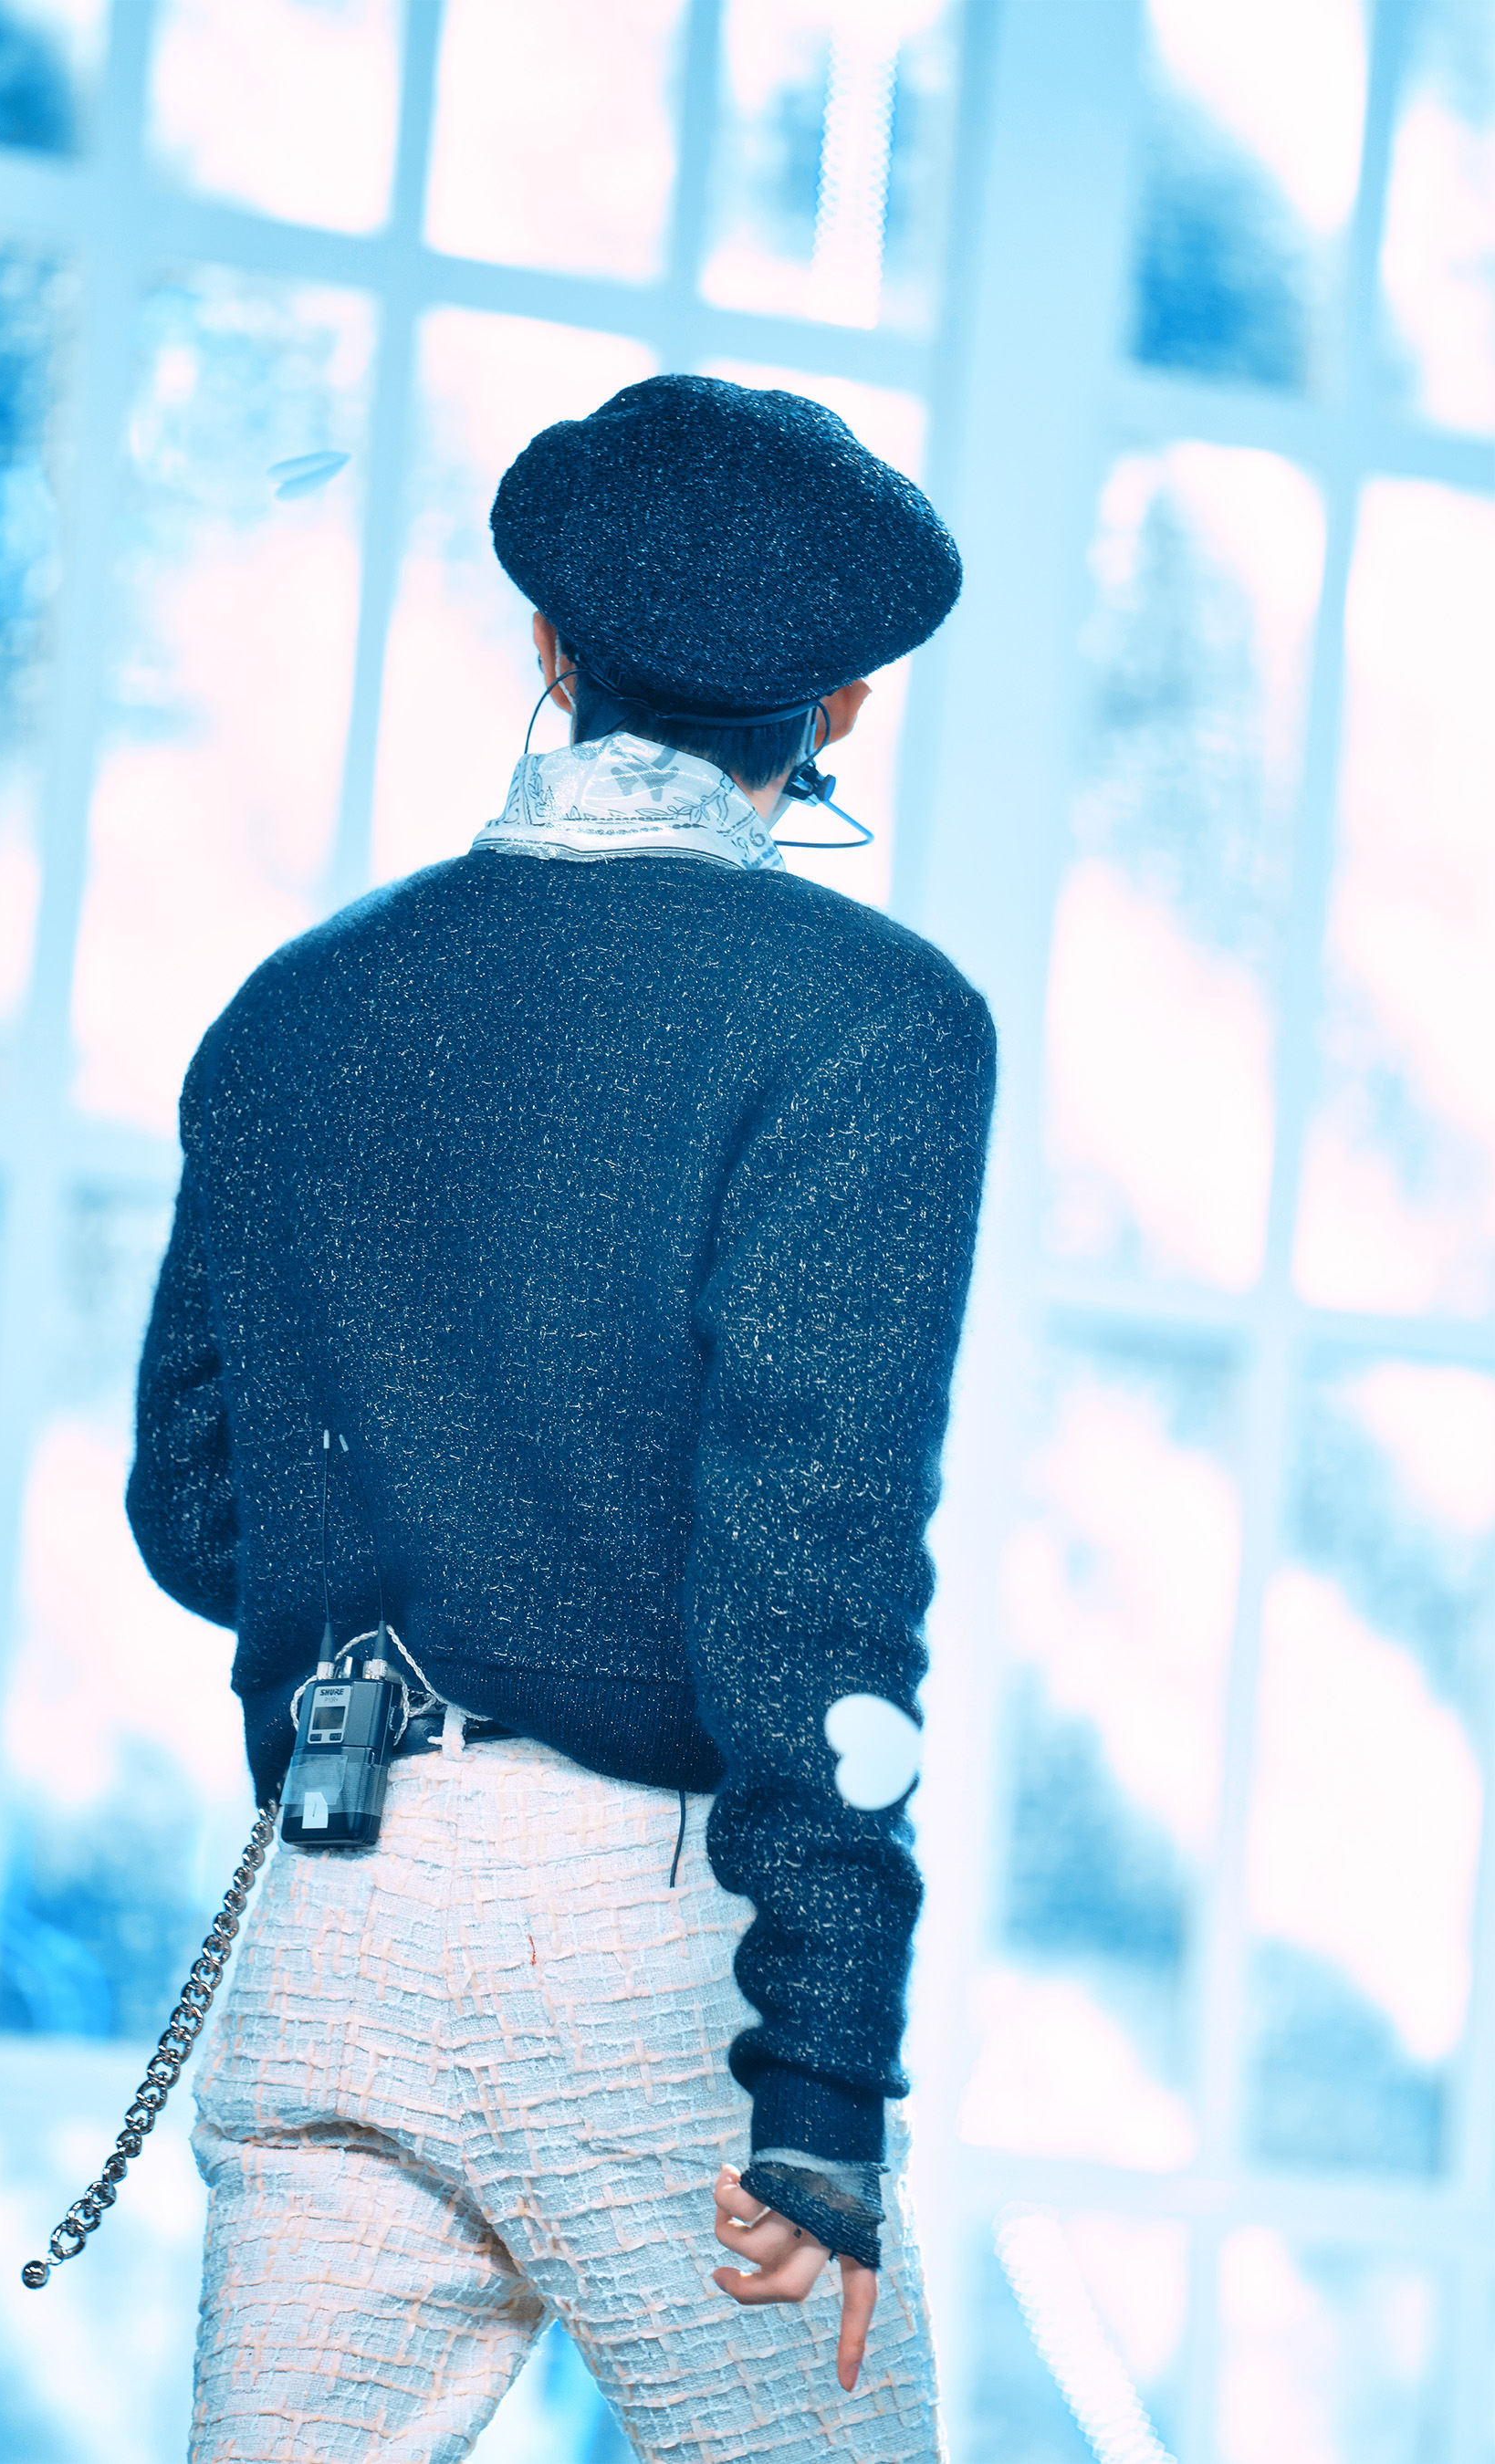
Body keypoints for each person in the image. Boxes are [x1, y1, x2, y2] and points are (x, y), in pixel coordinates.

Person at [127, 373, 995, 2462]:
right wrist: (822, 2069)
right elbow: (811, 1570)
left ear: (548, 648)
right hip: (638, 1941)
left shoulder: (299, 1002)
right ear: (844, 707)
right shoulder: (870, 1019)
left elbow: (195, 1511)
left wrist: (433, 1539)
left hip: (333, 1905)